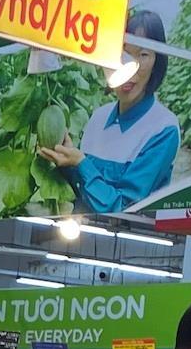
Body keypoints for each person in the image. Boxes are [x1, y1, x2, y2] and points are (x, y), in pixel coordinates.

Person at [37, 11, 180, 214]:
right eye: (124, 55)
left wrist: (81, 163)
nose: (131, 66)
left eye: (143, 55)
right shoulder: (99, 117)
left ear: (158, 61)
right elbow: (82, 190)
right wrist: (65, 162)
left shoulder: (163, 128)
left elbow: (124, 207)